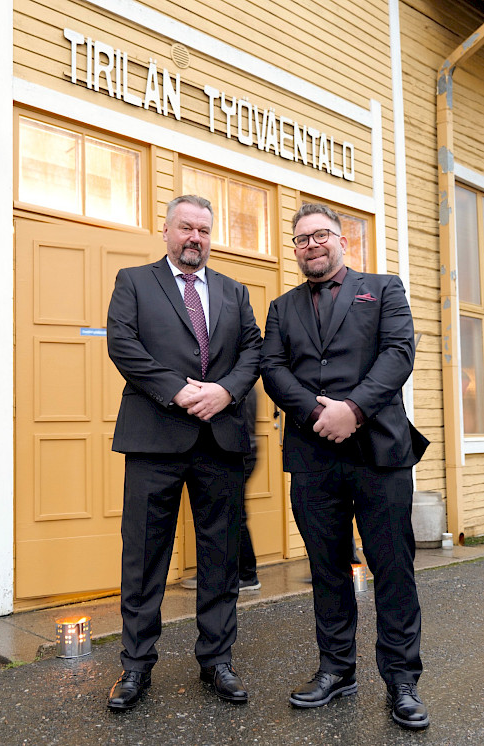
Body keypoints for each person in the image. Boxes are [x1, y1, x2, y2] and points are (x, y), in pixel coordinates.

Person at [260, 203, 430, 730]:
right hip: (313, 455)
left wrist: (353, 410)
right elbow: (272, 368)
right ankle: (337, 670)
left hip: (379, 454)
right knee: (327, 568)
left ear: (341, 240)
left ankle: (401, 680)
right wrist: (318, 414)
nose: (311, 245)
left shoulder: (383, 289)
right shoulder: (281, 307)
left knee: (393, 568)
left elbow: (398, 353)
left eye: (320, 235)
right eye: (301, 239)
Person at [106, 195, 262, 711]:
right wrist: (177, 390)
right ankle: (135, 666)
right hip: (154, 437)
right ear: (166, 231)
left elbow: (253, 351)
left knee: (220, 557)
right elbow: (123, 345)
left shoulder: (234, 291)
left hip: (220, 440)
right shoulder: (134, 281)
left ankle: (217, 660)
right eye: (186, 228)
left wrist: (225, 391)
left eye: (204, 230)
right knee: (144, 557)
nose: (196, 238)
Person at [181, 385, 261, 592]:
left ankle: (246, 574)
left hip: (240, 452)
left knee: (234, 514)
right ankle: (242, 573)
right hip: (245, 450)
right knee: (235, 513)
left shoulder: (241, 386)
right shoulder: (245, 386)